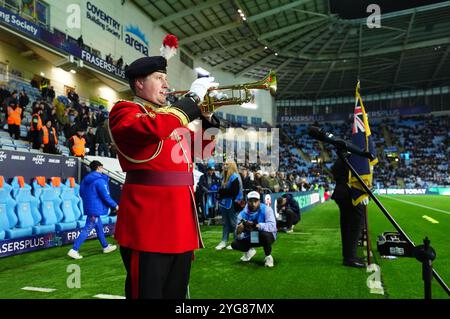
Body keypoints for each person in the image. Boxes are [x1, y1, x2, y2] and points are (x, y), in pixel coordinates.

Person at [108, 53, 220, 299]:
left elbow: (202, 150)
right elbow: (151, 127)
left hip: (181, 224)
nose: (166, 85)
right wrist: (191, 99)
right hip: (149, 224)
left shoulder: (170, 118)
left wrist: (207, 117)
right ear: (139, 82)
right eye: (159, 78)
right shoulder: (124, 110)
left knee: (176, 295)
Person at [68, 160, 118, 259]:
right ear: (99, 167)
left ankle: (105, 246)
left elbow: (81, 193)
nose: (103, 169)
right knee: (88, 228)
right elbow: (105, 195)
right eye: (102, 167)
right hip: (95, 207)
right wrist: (115, 205)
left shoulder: (85, 179)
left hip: (89, 206)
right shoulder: (99, 180)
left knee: (98, 227)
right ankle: (74, 250)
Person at [330, 157, 365, 268]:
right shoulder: (349, 158)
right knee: (354, 225)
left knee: (347, 226)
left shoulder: (340, 159)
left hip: (342, 191)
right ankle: (350, 257)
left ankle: (349, 256)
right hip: (348, 192)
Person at [231, 191, 277, 267]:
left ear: (259, 201)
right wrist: (239, 232)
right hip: (252, 237)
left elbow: (273, 226)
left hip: (264, 236)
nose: (253, 204)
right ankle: (249, 251)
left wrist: (259, 226)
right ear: (247, 201)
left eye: (255, 201)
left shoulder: (267, 210)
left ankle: (268, 256)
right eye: (251, 201)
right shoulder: (241, 214)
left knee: (265, 235)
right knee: (234, 244)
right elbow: (239, 236)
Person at [215, 160, 244, 250]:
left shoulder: (235, 176)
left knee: (233, 222)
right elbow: (222, 190)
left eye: (227, 164)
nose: (224, 165)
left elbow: (233, 192)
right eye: (224, 164)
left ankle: (236, 241)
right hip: (224, 203)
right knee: (225, 223)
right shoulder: (224, 176)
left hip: (233, 203)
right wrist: (221, 194)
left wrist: (221, 192)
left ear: (231, 165)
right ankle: (224, 240)